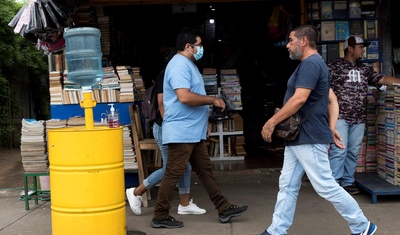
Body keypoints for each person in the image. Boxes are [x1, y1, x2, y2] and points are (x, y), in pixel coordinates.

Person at [260, 25, 377, 235]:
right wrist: (331, 128)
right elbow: (332, 100)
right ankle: (276, 230)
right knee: (287, 184)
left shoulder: (311, 64)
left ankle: (362, 226)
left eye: (291, 40)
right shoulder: (314, 64)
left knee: (325, 186)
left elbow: (299, 99)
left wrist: (271, 122)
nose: (287, 45)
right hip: (300, 137)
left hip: (309, 137)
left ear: (303, 41)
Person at [151, 27, 248, 229]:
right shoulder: (178, 65)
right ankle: (160, 215)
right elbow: (184, 97)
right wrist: (213, 100)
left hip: (192, 131)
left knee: (205, 170)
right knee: (172, 173)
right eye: (199, 45)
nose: (201, 48)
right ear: (188, 47)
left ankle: (223, 208)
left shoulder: (188, 65)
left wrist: (203, 124)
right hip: (181, 132)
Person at [126, 48, 206, 216]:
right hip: (165, 128)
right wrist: (171, 127)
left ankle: (184, 204)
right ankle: (136, 192)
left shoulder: (176, 72)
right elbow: (162, 104)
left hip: (172, 127)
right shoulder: (168, 73)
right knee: (173, 167)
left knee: (184, 165)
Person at [328, 35, 400, 195]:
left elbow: (382, 79)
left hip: (359, 118)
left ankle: (347, 182)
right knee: (339, 150)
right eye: (360, 47)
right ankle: (333, 184)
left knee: (353, 151)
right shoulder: (333, 66)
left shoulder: (365, 69)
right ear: (351, 48)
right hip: (339, 117)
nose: (363, 50)